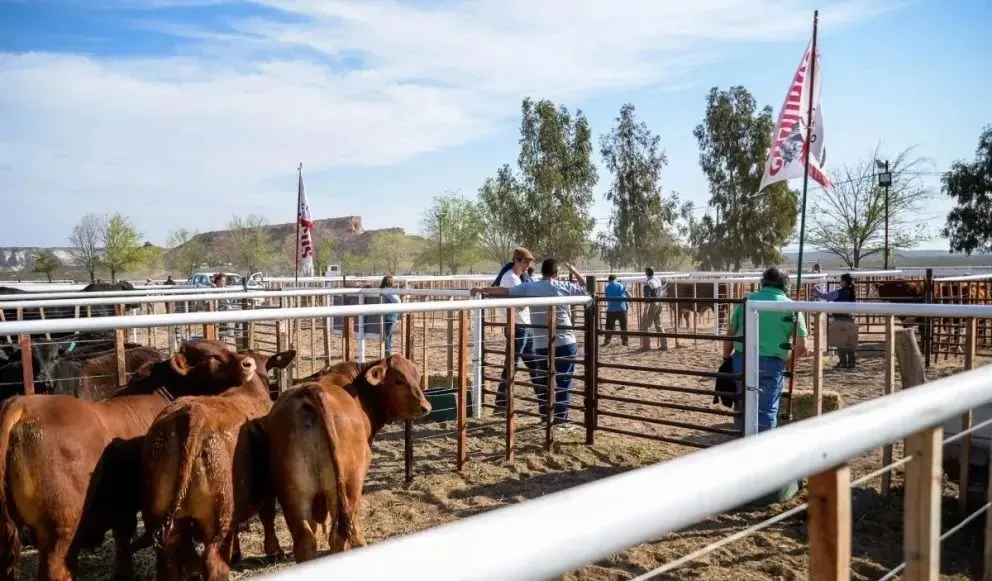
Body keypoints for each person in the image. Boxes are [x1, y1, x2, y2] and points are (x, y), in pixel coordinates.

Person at [473, 258, 589, 427]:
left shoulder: (531, 286)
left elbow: (505, 291)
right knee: (564, 380)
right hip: (565, 340)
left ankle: (545, 414)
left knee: (543, 379)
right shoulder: (564, 286)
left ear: (542, 272)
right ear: (556, 273)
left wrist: (482, 289)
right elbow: (585, 286)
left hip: (541, 342)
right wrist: (574, 270)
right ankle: (561, 418)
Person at [724, 267, 810, 432]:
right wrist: (788, 361)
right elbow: (802, 346)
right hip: (772, 363)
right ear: (785, 285)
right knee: (767, 409)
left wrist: (726, 356)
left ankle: (740, 444)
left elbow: (730, 334)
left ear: (763, 282)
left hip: (742, 360)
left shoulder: (746, 301)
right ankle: (762, 448)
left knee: (743, 404)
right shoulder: (793, 307)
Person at [492, 247, 537, 409]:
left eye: (528, 263)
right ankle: (501, 400)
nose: (527, 266)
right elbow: (519, 306)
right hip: (518, 325)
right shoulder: (511, 279)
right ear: (517, 260)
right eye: (525, 262)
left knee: (532, 363)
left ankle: (502, 400)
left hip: (523, 325)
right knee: (514, 363)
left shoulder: (518, 278)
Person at [813, 273, 858, 369]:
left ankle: (843, 363)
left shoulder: (839, 292)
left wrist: (815, 289)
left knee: (841, 343)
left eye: (841, 280)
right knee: (850, 344)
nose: (839, 282)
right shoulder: (851, 292)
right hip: (851, 319)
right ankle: (851, 364)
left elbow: (825, 296)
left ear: (844, 282)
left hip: (840, 319)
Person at [639, 266, 668, 351]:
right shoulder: (657, 280)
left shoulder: (647, 282)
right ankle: (664, 345)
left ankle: (646, 346)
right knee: (658, 324)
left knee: (646, 325)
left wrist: (646, 309)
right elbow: (663, 286)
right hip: (659, 303)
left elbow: (647, 297)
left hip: (652, 304)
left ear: (646, 273)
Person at [602, 274, 630, 346]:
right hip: (622, 308)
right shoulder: (621, 285)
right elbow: (628, 295)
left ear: (609, 280)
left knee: (609, 326)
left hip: (611, 309)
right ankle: (625, 341)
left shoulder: (607, 287)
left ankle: (607, 341)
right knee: (623, 326)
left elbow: (606, 297)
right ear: (615, 279)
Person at [380, 275, 401, 355]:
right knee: (388, 333)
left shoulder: (382, 290)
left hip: (385, 314)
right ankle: (388, 350)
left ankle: (388, 349)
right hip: (389, 315)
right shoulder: (388, 291)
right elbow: (397, 301)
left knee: (388, 332)